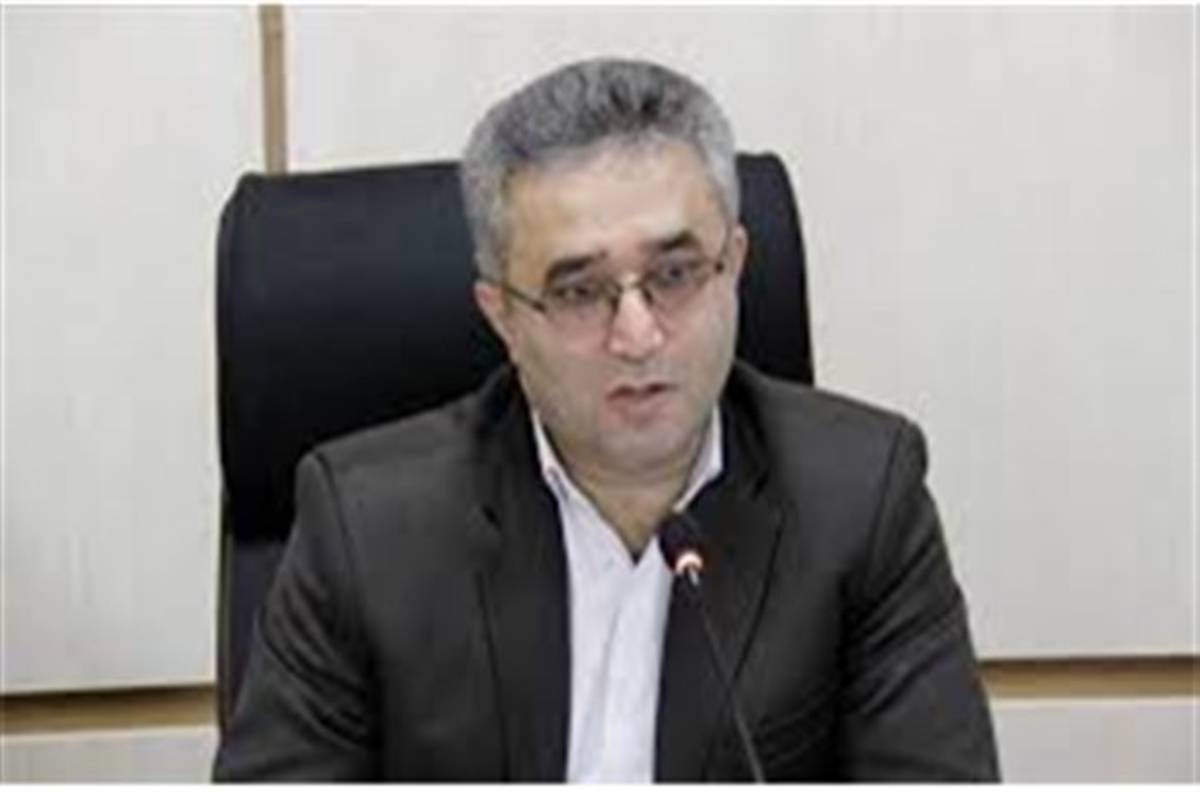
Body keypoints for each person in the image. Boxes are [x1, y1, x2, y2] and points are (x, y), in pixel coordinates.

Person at [213, 58, 998, 782]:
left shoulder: (862, 501)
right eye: (579, 291)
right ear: (501, 314)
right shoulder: (366, 531)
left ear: (734, 266)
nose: (638, 335)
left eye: (675, 273)